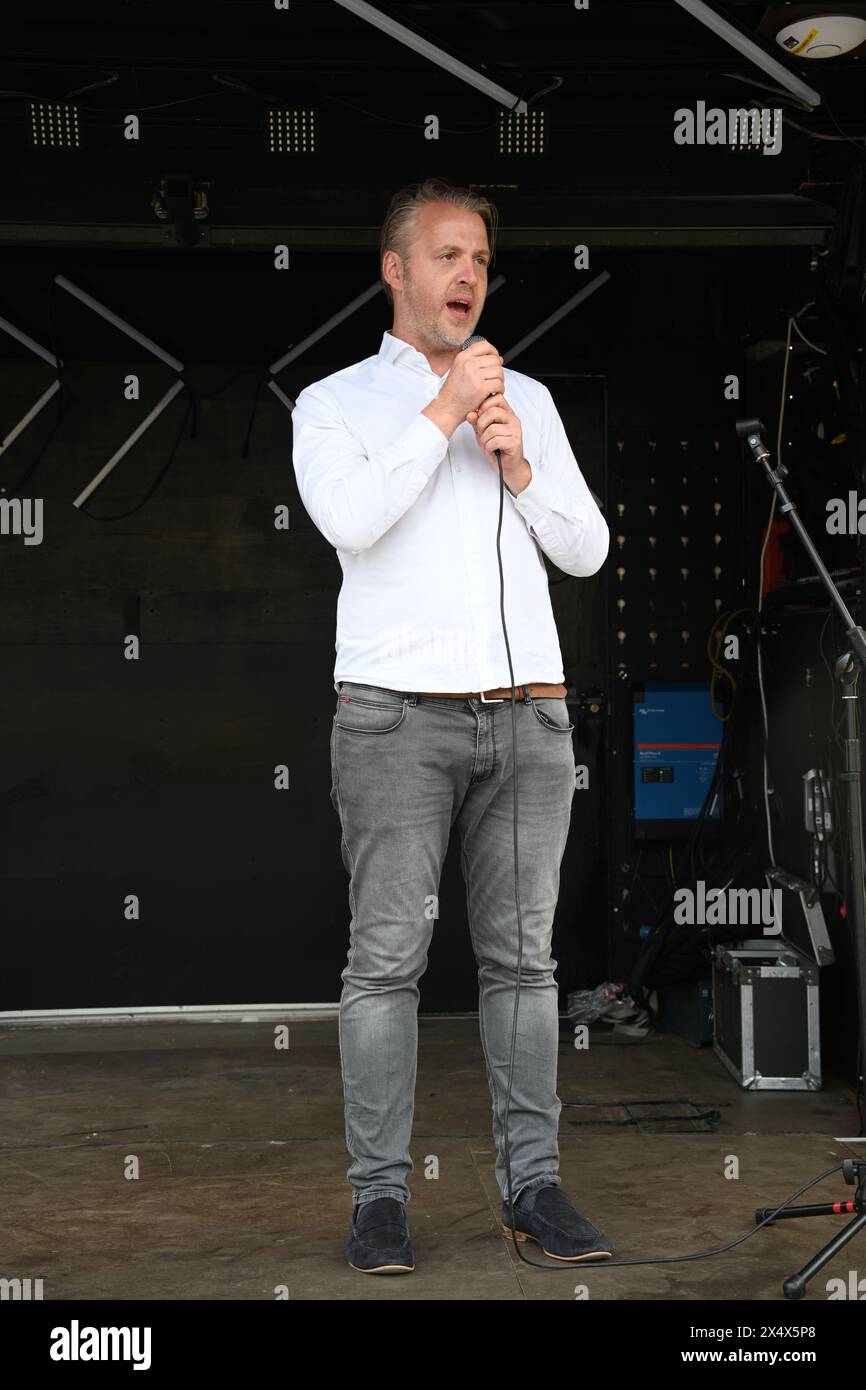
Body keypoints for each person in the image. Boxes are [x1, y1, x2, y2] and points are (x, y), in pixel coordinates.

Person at [292, 177, 613, 1275]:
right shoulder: (334, 404)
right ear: (395, 271)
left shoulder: (521, 399)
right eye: (444, 255)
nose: (467, 275)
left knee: (523, 965)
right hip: (391, 720)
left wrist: (517, 459)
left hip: (525, 720)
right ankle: (379, 1202)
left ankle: (535, 1187)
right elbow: (350, 519)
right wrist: (440, 416)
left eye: (478, 258)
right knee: (384, 964)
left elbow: (583, 550)